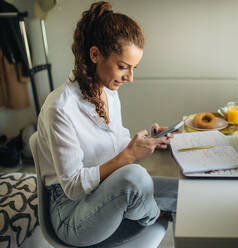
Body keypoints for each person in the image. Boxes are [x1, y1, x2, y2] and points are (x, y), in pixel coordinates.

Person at [36, 1, 178, 246]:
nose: (130, 77)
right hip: (72, 214)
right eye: (123, 67)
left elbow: (111, 144)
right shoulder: (60, 108)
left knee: (181, 191)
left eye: (133, 68)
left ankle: (150, 208)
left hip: (105, 191)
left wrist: (143, 142)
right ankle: (155, 214)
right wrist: (129, 156)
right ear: (95, 55)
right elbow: (73, 187)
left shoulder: (107, 91)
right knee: (135, 178)